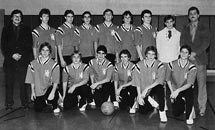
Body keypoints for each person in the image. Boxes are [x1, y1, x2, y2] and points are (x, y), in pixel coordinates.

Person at [180, 6, 210, 116]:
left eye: (194, 13)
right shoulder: (185, 28)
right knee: (187, 84)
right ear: (188, 16)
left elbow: (206, 42)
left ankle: (202, 108)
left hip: (200, 60)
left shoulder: (204, 27)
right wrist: (187, 54)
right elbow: (182, 42)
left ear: (198, 15)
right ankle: (186, 107)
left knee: (201, 85)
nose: (192, 15)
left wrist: (195, 53)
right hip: (187, 60)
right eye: (190, 13)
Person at [1, 9, 33, 110]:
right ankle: (9, 103)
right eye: (15, 16)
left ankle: (25, 102)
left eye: (19, 16)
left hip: (23, 60)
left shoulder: (27, 29)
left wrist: (21, 54)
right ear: (11, 18)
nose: (17, 18)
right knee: (9, 83)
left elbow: (29, 45)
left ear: (21, 18)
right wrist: (12, 55)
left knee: (23, 83)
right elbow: (3, 45)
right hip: (10, 61)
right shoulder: (6, 29)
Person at [133, 46, 167, 122]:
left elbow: (160, 80)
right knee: (143, 111)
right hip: (143, 89)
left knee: (160, 88)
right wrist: (139, 95)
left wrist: (147, 88)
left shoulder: (159, 64)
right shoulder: (139, 65)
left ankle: (162, 111)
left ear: (155, 55)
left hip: (153, 87)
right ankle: (149, 100)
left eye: (153, 54)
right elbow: (136, 81)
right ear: (146, 55)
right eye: (149, 54)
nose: (151, 56)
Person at [25, 42, 60, 113]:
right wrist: (33, 92)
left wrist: (52, 93)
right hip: (39, 91)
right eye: (43, 50)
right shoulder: (33, 63)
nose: (45, 52)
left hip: (49, 88)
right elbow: (31, 79)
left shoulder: (54, 64)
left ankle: (55, 103)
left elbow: (56, 80)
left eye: (47, 50)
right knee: (38, 109)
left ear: (50, 52)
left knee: (53, 93)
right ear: (40, 51)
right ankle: (45, 101)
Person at [166, 45, 197, 125]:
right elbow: (168, 80)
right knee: (176, 113)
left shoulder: (192, 67)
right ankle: (183, 102)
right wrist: (173, 92)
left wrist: (178, 91)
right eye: (182, 52)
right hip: (174, 88)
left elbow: (190, 84)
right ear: (179, 53)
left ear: (189, 55)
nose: (184, 54)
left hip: (186, 88)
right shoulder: (171, 64)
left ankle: (189, 112)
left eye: (186, 52)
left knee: (189, 96)